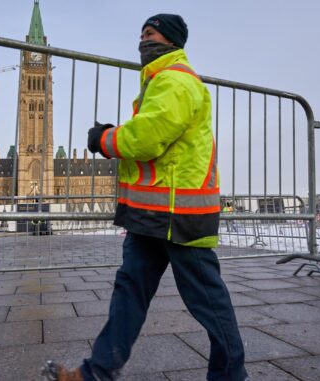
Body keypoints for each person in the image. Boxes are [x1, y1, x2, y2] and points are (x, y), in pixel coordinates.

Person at [43, 14, 248, 381]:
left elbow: (146, 138)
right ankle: (95, 373)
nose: (142, 40)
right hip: (149, 214)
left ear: (169, 39)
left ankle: (232, 376)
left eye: (149, 34)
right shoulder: (156, 82)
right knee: (128, 295)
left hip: (180, 215)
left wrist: (103, 139)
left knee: (208, 303)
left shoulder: (176, 81)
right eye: (141, 34)